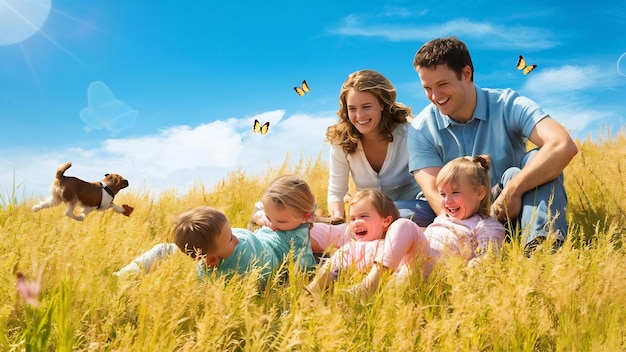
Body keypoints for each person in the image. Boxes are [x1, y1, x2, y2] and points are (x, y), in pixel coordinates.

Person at [408, 36, 578, 256]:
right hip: (452, 213)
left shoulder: (508, 104)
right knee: (394, 212)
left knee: (537, 158)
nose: (435, 96)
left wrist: (512, 192)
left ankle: (541, 249)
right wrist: (468, 231)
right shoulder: (421, 128)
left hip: (509, 207)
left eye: (442, 85)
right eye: (427, 88)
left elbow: (562, 144)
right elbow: (434, 194)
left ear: (466, 74)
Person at [114, 175, 317, 288]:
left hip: (257, 257)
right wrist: (259, 217)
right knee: (164, 250)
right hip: (231, 248)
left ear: (305, 217)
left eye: (279, 221)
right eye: (270, 217)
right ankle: (124, 275)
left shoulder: (299, 237)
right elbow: (259, 208)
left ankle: (126, 276)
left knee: (166, 252)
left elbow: (304, 269)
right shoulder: (283, 213)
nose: (272, 224)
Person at [351, 156, 506, 298]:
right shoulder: (443, 218)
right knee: (376, 253)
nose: (447, 201)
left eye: (455, 192)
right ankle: (334, 273)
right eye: (443, 194)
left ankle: (370, 283)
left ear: (479, 193)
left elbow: (489, 257)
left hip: (441, 270)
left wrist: (471, 270)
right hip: (416, 264)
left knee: (403, 225)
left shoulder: (485, 224)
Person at [325, 69, 436, 227]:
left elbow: (433, 180)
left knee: (387, 218)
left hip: (415, 207)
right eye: (352, 108)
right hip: (370, 212)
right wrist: (337, 219)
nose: (359, 115)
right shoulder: (341, 140)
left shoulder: (410, 131)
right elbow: (336, 191)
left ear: (383, 104)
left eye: (366, 106)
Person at [305, 189, 431, 296]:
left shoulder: (396, 241)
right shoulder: (352, 248)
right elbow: (335, 263)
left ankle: (369, 286)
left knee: (399, 277)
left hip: (404, 279)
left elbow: (408, 237)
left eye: (364, 216)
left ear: (386, 221)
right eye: (352, 219)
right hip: (376, 290)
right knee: (339, 258)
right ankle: (311, 293)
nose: (356, 222)